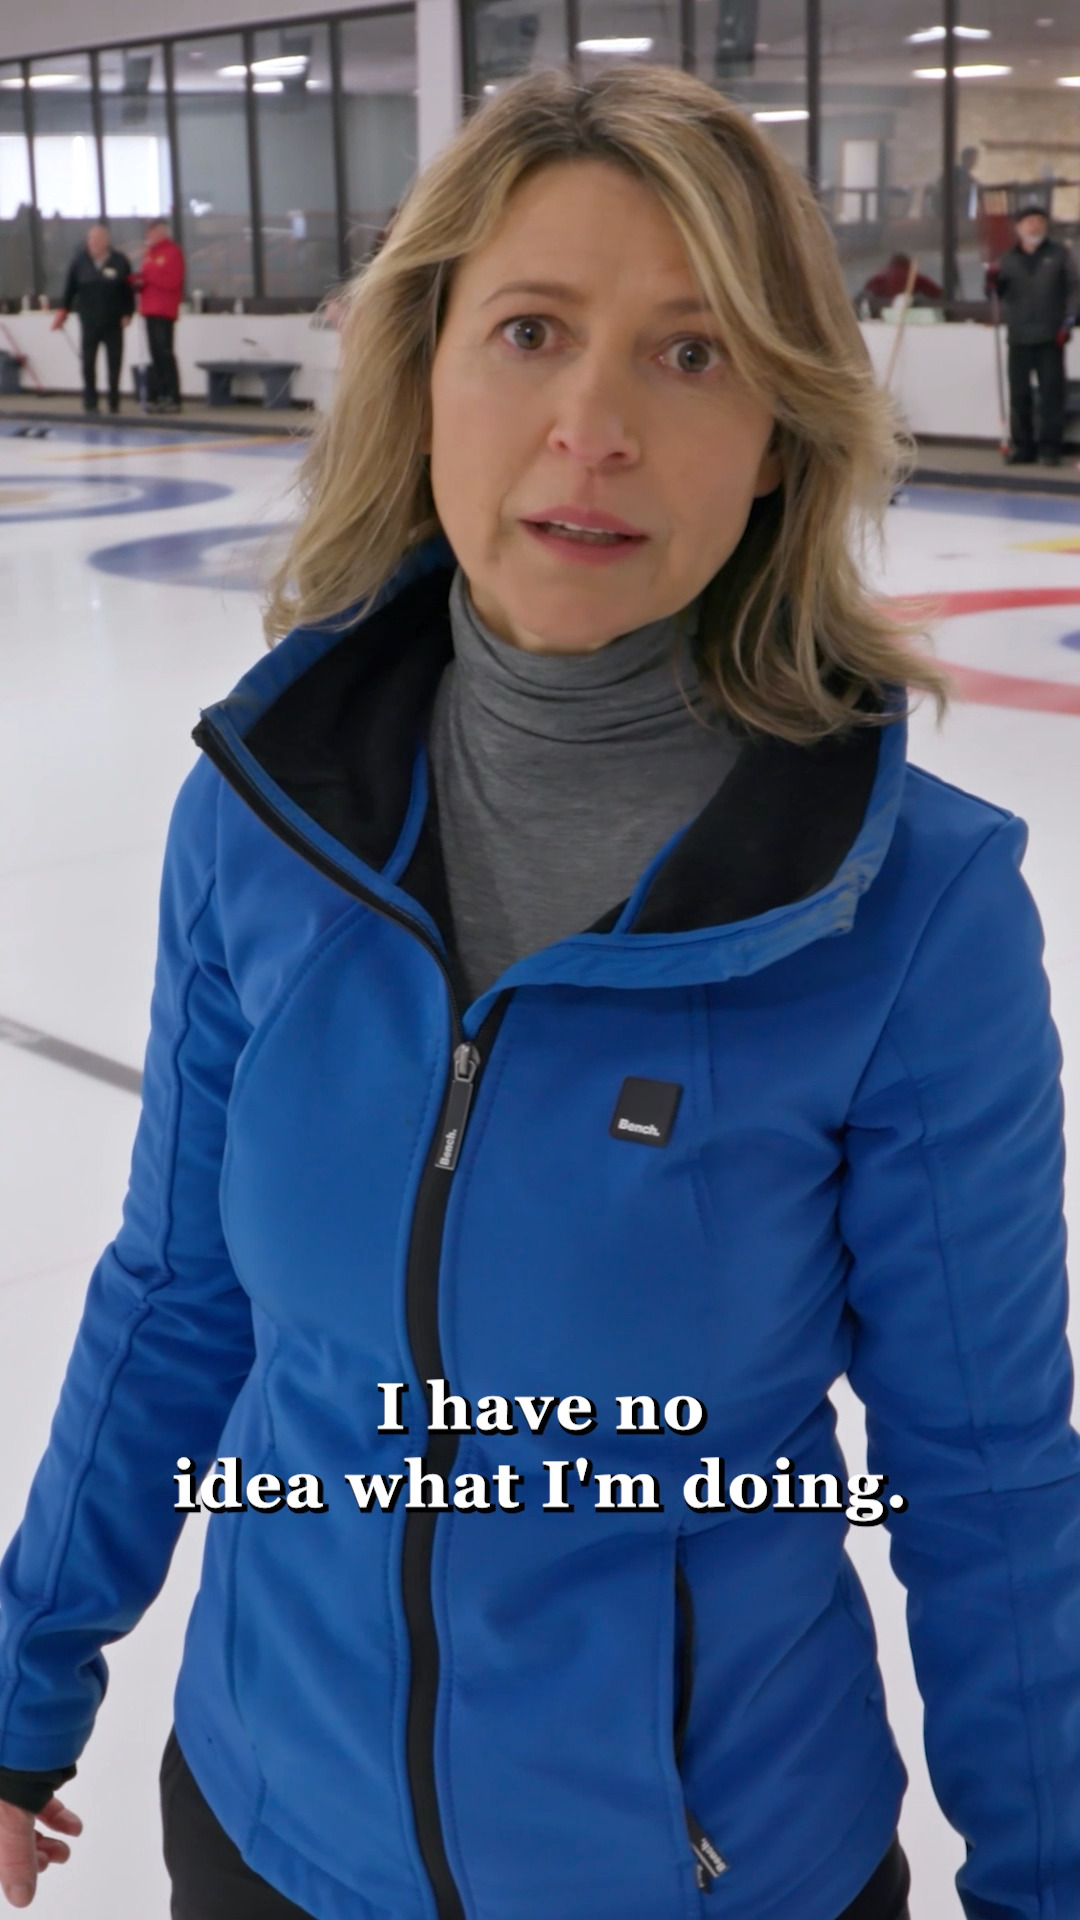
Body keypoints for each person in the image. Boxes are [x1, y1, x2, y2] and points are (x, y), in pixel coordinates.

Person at [1, 63, 1078, 1920]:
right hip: (266, 1829)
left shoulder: (914, 915)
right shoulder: (260, 819)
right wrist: (21, 1698)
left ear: (779, 434)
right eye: (529, 332)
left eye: (689, 354)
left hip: (706, 1873)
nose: (592, 428)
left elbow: (982, 1476)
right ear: (427, 371)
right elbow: (177, 1293)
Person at [986, 202, 1080, 466]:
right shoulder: (1007, 259)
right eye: (1028, 222)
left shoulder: (1059, 254)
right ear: (1018, 228)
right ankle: (1023, 448)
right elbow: (995, 294)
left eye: (1039, 221)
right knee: (1019, 396)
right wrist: (991, 281)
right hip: (1018, 337)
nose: (1034, 226)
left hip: (1051, 337)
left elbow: (1075, 291)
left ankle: (1050, 449)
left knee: (1052, 395)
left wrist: (1068, 322)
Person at [50, 222, 134, 415]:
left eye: (98, 239)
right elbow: (69, 290)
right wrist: (62, 313)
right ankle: (90, 402)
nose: (94, 242)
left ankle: (113, 402)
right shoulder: (79, 262)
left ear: (107, 240)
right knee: (88, 364)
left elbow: (128, 292)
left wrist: (128, 313)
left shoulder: (120, 261)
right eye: (91, 239)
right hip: (89, 322)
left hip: (114, 322)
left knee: (114, 364)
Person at [133, 218, 185, 413]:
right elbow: (146, 277)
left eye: (152, 231)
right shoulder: (149, 254)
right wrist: (136, 281)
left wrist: (148, 277)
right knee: (155, 354)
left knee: (164, 352)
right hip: (149, 309)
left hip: (164, 310)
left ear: (161, 231)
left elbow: (172, 281)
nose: (149, 235)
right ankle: (161, 395)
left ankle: (172, 396)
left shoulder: (173, 252)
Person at [858, 252, 943, 316]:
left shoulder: (877, 280)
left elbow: (862, 299)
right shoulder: (918, 279)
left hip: (882, 318)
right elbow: (939, 296)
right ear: (909, 264)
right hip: (910, 318)